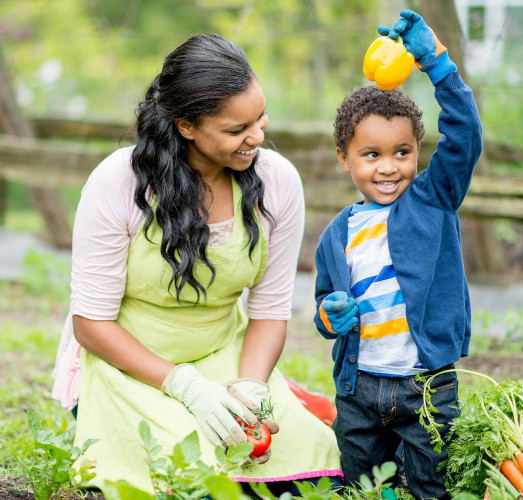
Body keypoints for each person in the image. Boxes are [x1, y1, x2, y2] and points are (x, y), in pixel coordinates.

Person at [51, 33, 341, 493]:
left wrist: (252, 385)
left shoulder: (277, 181)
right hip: (127, 363)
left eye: (260, 117)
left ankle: (295, 401)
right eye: (236, 130)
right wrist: (185, 386)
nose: (258, 137)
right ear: (186, 126)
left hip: (225, 355)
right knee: (194, 476)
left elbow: (269, 309)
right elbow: (92, 324)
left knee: (311, 462)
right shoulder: (118, 183)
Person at [313, 10, 483, 500]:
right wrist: (331, 315)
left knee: (433, 484)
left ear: (417, 151)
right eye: (372, 155)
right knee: (364, 484)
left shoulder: (433, 199)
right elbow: (326, 308)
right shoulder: (337, 234)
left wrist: (435, 61)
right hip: (359, 389)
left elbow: (465, 133)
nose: (389, 168)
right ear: (344, 158)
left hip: (426, 387)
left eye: (402, 152)